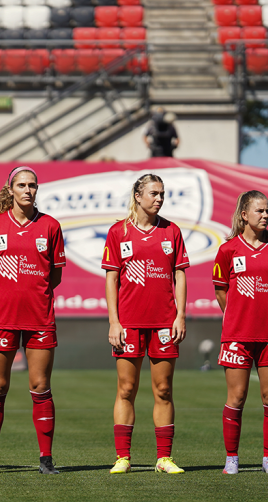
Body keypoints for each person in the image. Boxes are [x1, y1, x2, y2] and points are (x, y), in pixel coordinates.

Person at [0, 167, 66, 475]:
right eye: (22, 185)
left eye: (33, 185)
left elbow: (55, 275)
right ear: (10, 189)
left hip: (39, 318)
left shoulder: (50, 226)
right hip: (2, 318)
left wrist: (34, 294)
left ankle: (46, 458)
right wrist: (1, 296)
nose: (28, 190)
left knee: (40, 386)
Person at [102, 173, 189, 475]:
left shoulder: (172, 232)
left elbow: (180, 274)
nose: (159, 198)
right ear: (137, 196)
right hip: (129, 324)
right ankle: (122, 457)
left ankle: (164, 458)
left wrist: (180, 314)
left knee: (163, 389)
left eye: (162, 193)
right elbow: (111, 278)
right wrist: (114, 321)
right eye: (154, 193)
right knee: (126, 388)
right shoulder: (118, 232)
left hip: (164, 322)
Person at [211, 191, 268, 475]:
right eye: (259, 211)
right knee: (236, 397)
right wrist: (236, 316)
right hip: (237, 335)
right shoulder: (228, 250)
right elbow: (220, 289)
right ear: (244, 215)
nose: (265, 215)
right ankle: (232, 458)